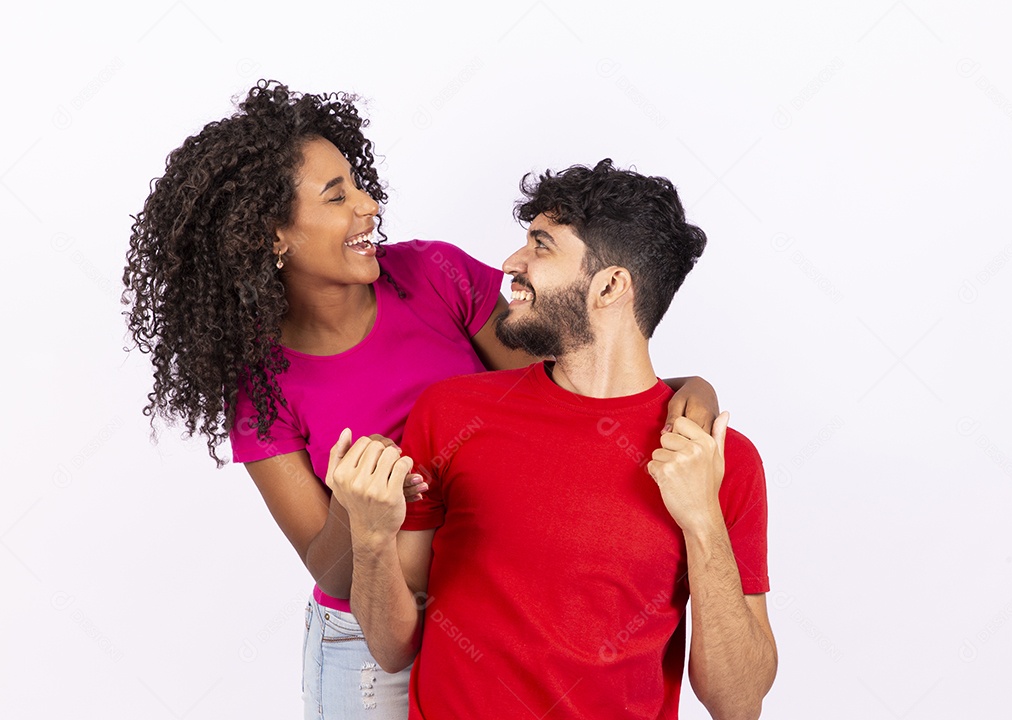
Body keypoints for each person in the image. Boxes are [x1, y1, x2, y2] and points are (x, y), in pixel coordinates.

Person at [122, 82, 721, 719]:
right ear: (272, 236)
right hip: (364, 642)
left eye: (358, 183)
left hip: (484, 611)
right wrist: (357, 509)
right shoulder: (258, 387)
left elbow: (568, 380)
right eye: (338, 195)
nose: (370, 205)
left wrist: (690, 390)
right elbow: (331, 576)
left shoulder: (433, 276)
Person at [327, 159, 777, 720]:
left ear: (610, 285)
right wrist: (370, 539)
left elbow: (738, 704)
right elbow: (394, 647)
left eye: (541, 246)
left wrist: (702, 520)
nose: (512, 264)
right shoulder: (451, 413)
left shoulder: (719, 459)